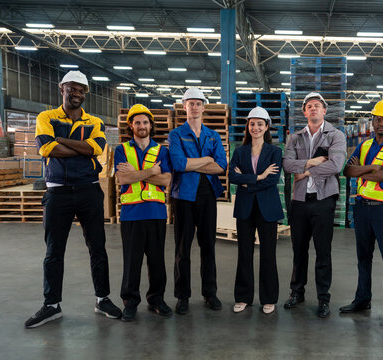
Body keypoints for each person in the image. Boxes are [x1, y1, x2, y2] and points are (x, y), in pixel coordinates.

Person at [26, 70, 121, 328]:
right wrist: (79, 148)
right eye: (72, 88)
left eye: (81, 90)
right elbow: (46, 148)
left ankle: (103, 299)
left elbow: (96, 148)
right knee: (54, 251)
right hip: (57, 192)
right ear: (62, 89)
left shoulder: (95, 122)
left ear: (85, 93)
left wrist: (60, 141)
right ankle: (51, 305)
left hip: (89, 190)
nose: (76, 93)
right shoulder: (46, 117)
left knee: (98, 248)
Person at [339, 99, 383, 330]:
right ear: (373, 120)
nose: (381, 124)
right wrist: (370, 169)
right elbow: (347, 170)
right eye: (378, 119)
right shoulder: (365, 145)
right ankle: (362, 299)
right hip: (362, 208)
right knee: (363, 258)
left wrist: (363, 171)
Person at [282, 92, 346, 318]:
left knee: (323, 251)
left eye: (317, 106)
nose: (313, 109)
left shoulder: (335, 135)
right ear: (304, 111)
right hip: (299, 202)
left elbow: (336, 165)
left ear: (324, 110)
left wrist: (306, 171)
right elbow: (288, 165)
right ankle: (296, 292)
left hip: (323, 201)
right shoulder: (295, 138)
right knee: (298, 251)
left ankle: (323, 298)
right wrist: (311, 161)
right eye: (309, 106)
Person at [169, 87, 227, 314]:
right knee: (183, 248)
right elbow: (178, 164)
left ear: (204, 107)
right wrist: (205, 160)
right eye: (190, 103)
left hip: (207, 195)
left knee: (208, 247)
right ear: (184, 106)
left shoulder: (213, 135)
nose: (194, 107)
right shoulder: (176, 134)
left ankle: (209, 293)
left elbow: (221, 166)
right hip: (183, 195)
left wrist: (193, 162)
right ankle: (182, 296)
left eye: (198, 103)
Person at [114, 104, 172, 321]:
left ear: (150, 125)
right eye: (137, 122)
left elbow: (166, 180)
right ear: (131, 125)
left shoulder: (161, 150)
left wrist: (137, 173)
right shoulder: (122, 150)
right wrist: (150, 172)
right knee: (132, 261)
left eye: (145, 122)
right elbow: (123, 178)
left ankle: (156, 300)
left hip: (156, 213)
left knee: (157, 261)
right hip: (131, 214)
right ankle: (130, 302)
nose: (141, 126)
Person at [228, 107, 283, 315]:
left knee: (268, 254)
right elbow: (232, 176)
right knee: (244, 253)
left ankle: (269, 298)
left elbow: (272, 180)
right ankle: (243, 297)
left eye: (260, 124)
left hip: (267, 208)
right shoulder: (240, 151)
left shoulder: (275, 152)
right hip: (245, 209)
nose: (256, 127)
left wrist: (247, 181)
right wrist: (258, 177)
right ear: (248, 127)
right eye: (252, 124)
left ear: (267, 126)